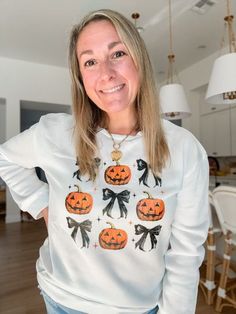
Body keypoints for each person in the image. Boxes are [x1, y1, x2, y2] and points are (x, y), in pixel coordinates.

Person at [0, 9, 209, 314]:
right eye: (90, 61)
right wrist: (40, 203)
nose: (106, 73)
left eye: (118, 53)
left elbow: (186, 254)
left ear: (139, 59)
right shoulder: (56, 132)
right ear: (81, 77)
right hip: (60, 298)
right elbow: (6, 158)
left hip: (138, 308)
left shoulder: (185, 149)